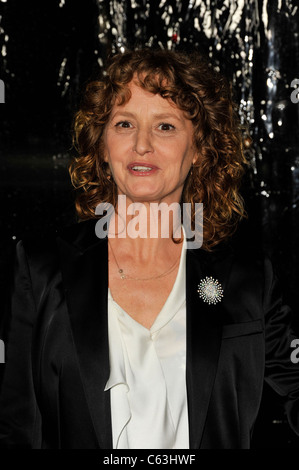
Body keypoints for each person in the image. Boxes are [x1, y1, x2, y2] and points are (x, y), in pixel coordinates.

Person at [0, 48, 299, 449]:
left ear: (199, 150)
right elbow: (15, 428)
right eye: (124, 124)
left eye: (165, 127)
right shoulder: (40, 269)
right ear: (103, 147)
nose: (142, 145)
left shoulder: (247, 277)